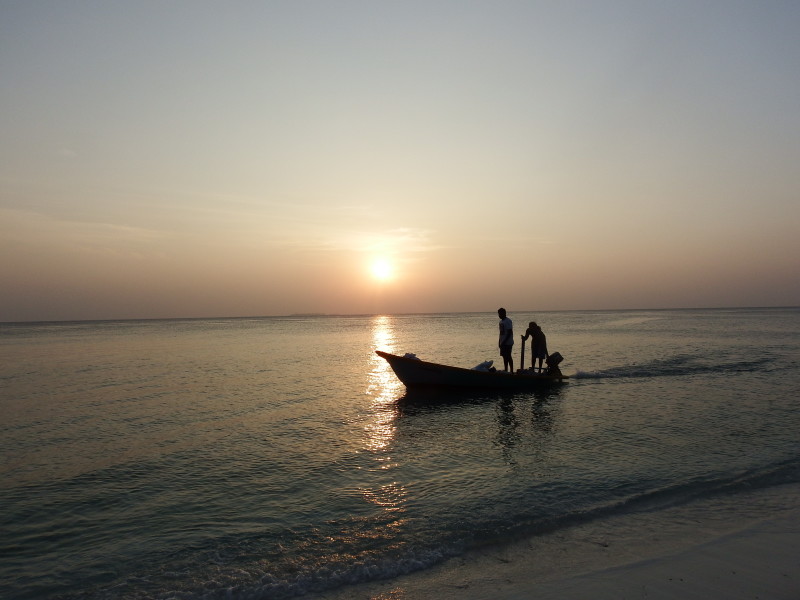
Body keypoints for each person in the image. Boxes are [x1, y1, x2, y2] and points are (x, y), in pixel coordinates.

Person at [497, 308, 514, 372]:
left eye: (500, 313)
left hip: (508, 343)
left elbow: (509, 332)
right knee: (504, 357)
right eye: (499, 314)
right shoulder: (501, 322)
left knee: (509, 356)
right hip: (502, 342)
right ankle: (506, 369)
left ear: (504, 313)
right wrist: (500, 341)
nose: (499, 315)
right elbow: (501, 333)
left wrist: (504, 341)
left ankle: (511, 370)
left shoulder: (508, 321)